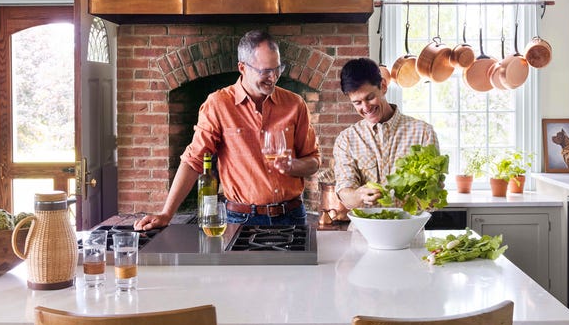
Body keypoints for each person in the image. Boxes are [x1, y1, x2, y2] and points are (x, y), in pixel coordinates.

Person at [135, 30, 319, 230]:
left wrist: (292, 166)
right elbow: (193, 160)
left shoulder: (295, 104)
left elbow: (313, 161)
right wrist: (166, 213)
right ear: (242, 67)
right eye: (265, 71)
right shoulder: (219, 104)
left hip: (292, 216)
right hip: (241, 220)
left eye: (277, 69)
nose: (273, 78)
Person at [333, 57, 438, 209]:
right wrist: (359, 195)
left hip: (409, 230)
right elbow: (345, 193)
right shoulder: (346, 139)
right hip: (364, 231)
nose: (366, 107)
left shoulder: (423, 133)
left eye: (370, 97)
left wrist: (432, 188)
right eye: (357, 103)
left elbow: (432, 200)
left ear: (383, 86)